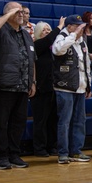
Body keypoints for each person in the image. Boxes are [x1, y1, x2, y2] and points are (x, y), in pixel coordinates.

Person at [0, 2, 36, 170]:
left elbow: (32, 60)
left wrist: (32, 81)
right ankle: (2, 156)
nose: (21, 14)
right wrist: (8, 15)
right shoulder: (1, 30)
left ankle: (14, 154)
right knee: (1, 123)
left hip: (22, 86)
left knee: (18, 123)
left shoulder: (26, 35)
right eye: (18, 12)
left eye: (23, 12)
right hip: (2, 86)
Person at [53, 14, 92, 164]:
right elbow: (58, 50)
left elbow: (86, 64)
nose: (81, 29)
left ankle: (76, 151)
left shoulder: (82, 42)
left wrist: (88, 84)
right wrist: (73, 36)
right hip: (65, 88)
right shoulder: (61, 37)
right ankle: (63, 153)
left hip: (80, 88)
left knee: (79, 121)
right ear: (69, 27)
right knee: (64, 122)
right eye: (78, 26)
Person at [32, 20, 61, 157]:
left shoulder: (54, 49)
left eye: (49, 29)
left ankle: (52, 145)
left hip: (53, 88)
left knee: (53, 119)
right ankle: (39, 147)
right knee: (41, 120)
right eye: (44, 29)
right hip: (40, 88)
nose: (48, 32)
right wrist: (59, 28)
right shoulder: (37, 45)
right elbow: (49, 39)